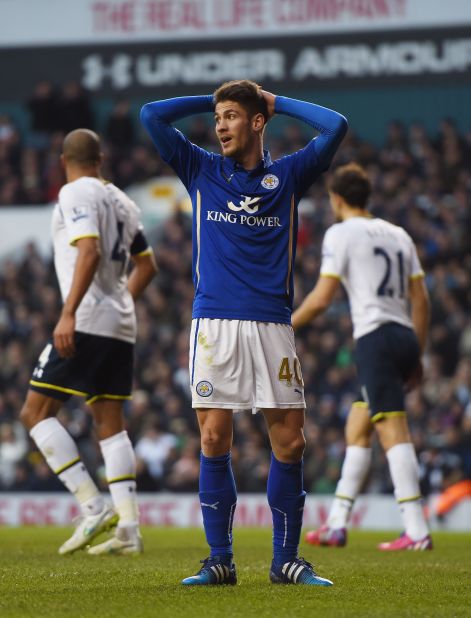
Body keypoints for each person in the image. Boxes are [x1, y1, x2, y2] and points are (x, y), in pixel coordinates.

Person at [141, 80, 347, 586]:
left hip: (274, 323)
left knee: (291, 443)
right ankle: (220, 560)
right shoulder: (200, 168)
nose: (219, 126)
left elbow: (336, 126)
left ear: (257, 122)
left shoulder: (290, 174)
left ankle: (286, 562)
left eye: (231, 116)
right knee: (213, 437)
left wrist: (275, 103)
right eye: (217, 118)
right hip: (215, 323)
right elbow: (150, 115)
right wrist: (210, 98)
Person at [20, 129, 157, 555]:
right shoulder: (124, 201)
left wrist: (68, 312)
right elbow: (147, 266)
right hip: (120, 323)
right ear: (100, 158)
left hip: (86, 318)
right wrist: (119, 305)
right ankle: (129, 528)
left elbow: (90, 251)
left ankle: (91, 504)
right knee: (109, 422)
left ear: (64, 160)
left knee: (35, 412)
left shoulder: (74, 192)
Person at [292, 162, 432, 551]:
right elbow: (421, 299)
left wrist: (285, 326)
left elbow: (322, 298)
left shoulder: (340, 233)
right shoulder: (398, 234)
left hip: (376, 339)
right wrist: (416, 353)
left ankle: (417, 531)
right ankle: (337, 524)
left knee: (392, 429)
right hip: (403, 335)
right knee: (358, 425)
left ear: (336, 199)